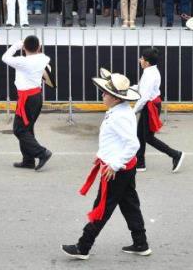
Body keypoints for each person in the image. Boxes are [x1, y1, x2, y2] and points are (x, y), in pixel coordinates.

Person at [62, 72, 150, 260]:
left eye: (105, 93)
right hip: (122, 168)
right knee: (130, 205)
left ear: (116, 98)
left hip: (116, 170)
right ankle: (140, 242)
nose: (102, 95)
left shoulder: (120, 116)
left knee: (101, 207)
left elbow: (133, 144)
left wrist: (115, 164)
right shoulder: (120, 110)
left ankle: (83, 246)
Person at [2, 35, 53, 170]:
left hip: (27, 99)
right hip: (35, 96)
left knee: (19, 129)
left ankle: (42, 153)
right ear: (39, 47)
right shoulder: (43, 59)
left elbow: (5, 57)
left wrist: (17, 46)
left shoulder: (22, 61)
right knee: (27, 128)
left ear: (24, 48)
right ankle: (28, 160)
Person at [132, 48, 184, 172]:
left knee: (148, 137)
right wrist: (126, 88)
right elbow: (140, 88)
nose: (140, 60)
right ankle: (140, 163)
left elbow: (144, 96)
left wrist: (133, 111)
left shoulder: (150, 74)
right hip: (148, 105)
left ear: (147, 62)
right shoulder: (149, 71)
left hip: (151, 107)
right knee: (140, 135)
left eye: (142, 59)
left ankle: (176, 154)